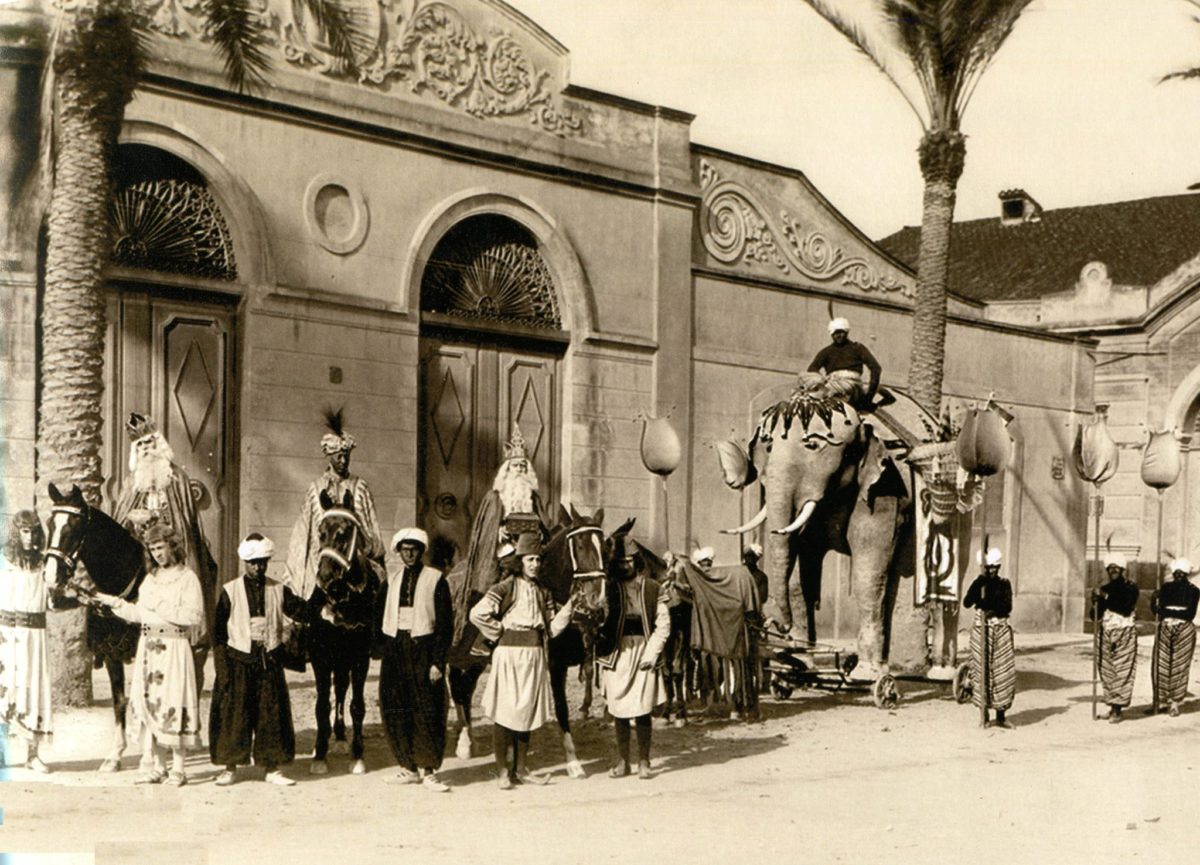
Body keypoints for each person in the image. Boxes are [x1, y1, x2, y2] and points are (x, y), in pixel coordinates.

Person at [92, 525, 204, 786]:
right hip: (148, 647)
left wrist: (160, 605)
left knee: (173, 701)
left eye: (160, 548)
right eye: (152, 550)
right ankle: (159, 766)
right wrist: (113, 603)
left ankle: (178, 767)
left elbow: (193, 616)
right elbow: (139, 614)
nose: (157, 555)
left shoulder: (188, 578)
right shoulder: (150, 579)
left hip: (174, 647)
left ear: (172, 546)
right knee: (151, 702)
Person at [113, 412, 218, 674]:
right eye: (141, 446)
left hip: (169, 547)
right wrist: (134, 521)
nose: (147, 450)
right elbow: (121, 520)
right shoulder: (132, 483)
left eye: (150, 443)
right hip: (139, 548)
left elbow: (185, 522)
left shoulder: (177, 479)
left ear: (158, 444)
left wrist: (161, 526)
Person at [469, 532, 574, 789]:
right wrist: (500, 631)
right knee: (506, 712)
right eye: (530, 560)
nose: (535, 564)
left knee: (526, 711)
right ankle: (503, 771)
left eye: (538, 560)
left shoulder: (543, 593)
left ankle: (522, 768)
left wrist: (571, 606)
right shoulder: (505, 587)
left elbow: (551, 628)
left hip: (535, 654)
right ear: (520, 561)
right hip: (509, 655)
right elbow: (477, 614)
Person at [209, 533, 306, 787]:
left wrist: (318, 593)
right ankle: (230, 767)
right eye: (253, 563)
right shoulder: (229, 591)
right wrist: (222, 669)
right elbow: (218, 634)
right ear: (244, 563)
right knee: (234, 714)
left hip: (268, 659)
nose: (258, 567)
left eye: (262, 562)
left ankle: (272, 767)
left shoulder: (278, 589)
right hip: (238, 659)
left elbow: (301, 610)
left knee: (271, 714)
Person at [378, 528, 453, 793]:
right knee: (397, 707)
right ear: (398, 552)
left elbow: (445, 625)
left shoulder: (436, 580)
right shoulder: (392, 580)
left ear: (421, 551)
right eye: (404, 549)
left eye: (413, 549)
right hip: (397, 650)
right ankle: (408, 766)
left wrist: (437, 662)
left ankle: (429, 769)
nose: (408, 553)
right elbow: (380, 616)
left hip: (424, 649)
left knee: (427, 709)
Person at [286, 408, 385, 601]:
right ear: (329, 456)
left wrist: (370, 551)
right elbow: (303, 533)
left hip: (354, 568)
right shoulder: (315, 489)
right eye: (339, 456)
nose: (343, 460)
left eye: (346, 456)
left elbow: (371, 528)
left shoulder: (360, 487)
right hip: (322, 564)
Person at [595, 542, 670, 780]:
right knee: (619, 709)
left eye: (628, 561)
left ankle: (645, 762)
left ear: (637, 562)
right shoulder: (608, 589)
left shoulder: (653, 588)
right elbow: (599, 617)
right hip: (616, 652)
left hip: (643, 649)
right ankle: (623, 762)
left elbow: (664, 624)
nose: (624, 565)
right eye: (620, 562)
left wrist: (652, 653)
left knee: (642, 708)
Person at [0, 511, 54, 772]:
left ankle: (32, 754)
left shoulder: (44, 564)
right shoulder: (4, 561)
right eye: (24, 531)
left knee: (33, 688)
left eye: (33, 531)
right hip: (6, 633)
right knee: (5, 688)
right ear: (16, 533)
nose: (30, 537)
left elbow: (52, 599)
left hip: (35, 635)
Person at [963, 548, 1015, 729]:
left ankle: (1001, 715)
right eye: (988, 568)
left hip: (999, 629)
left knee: (1002, 672)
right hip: (981, 631)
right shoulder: (980, 583)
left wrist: (991, 610)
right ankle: (983, 714)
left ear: (999, 567)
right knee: (981, 670)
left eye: (994, 567)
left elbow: (1007, 606)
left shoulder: (1004, 584)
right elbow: (967, 602)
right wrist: (978, 585)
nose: (991, 571)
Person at [1092, 551, 1139, 723]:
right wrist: (1094, 601)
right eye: (1110, 568)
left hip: (1124, 631)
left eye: (1116, 568)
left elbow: (1125, 607)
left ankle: (1118, 709)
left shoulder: (1130, 587)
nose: (1113, 571)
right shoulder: (1104, 589)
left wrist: (1105, 597)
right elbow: (1094, 616)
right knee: (1106, 669)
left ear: (1122, 570)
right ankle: (1111, 705)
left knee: (1122, 669)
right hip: (1106, 631)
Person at [1150, 558, 1200, 717]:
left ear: (1186, 574)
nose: (1179, 575)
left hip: (1184, 630)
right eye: (1176, 573)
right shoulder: (1166, 588)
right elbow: (1157, 611)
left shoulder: (1193, 590)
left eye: (1182, 573)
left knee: (1179, 665)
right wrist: (1153, 598)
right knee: (1160, 664)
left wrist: (1167, 611)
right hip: (1165, 628)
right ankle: (1160, 700)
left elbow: (1189, 614)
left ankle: (1174, 703)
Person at [806, 317, 882, 411]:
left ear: (846, 332)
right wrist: (821, 380)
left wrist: (869, 396)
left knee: (824, 393)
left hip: (852, 385)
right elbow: (812, 369)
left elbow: (876, 368)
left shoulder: (857, 348)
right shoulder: (826, 352)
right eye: (835, 333)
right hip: (832, 382)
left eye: (841, 332)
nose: (838, 336)